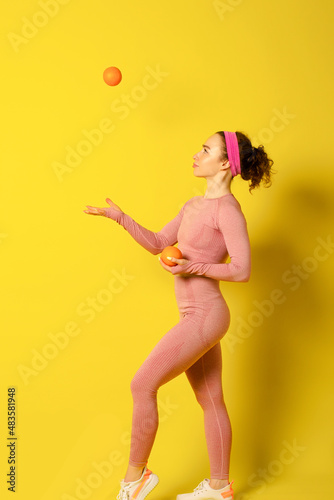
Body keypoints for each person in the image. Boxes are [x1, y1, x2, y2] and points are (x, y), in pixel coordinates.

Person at [83, 131, 274, 500]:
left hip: (204, 315)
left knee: (142, 385)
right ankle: (219, 488)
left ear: (224, 163)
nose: (196, 153)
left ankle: (135, 478)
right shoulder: (192, 206)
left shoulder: (227, 211)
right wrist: (121, 218)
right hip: (198, 315)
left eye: (205, 149)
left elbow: (242, 269)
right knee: (212, 400)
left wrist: (196, 265)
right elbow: (159, 243)